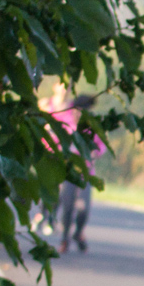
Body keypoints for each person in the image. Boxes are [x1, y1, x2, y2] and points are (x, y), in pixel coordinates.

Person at [55, 93, 104, 254]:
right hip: (68, 172)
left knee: (83, 207)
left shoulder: (93, 127)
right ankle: (65, 238)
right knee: (68, 206)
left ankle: (78, 233)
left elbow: (100, 146)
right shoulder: (65, 123)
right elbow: (54, 142)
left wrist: (94, 153)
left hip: (86, 173)